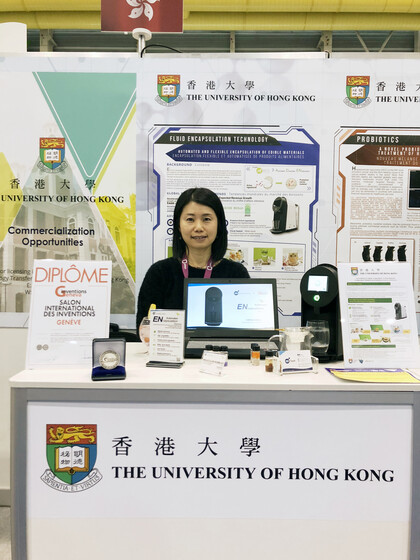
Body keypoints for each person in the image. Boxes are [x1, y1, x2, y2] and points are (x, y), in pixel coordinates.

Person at [136, 187, 249, 331]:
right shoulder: (160, 273)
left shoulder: (236, 273)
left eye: (206, 219)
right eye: (190, 219)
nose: (198, 227)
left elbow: (247, 329)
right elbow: (144, 329)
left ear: (219, 225)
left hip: (222, 346)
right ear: (178, 225)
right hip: (170, 346)